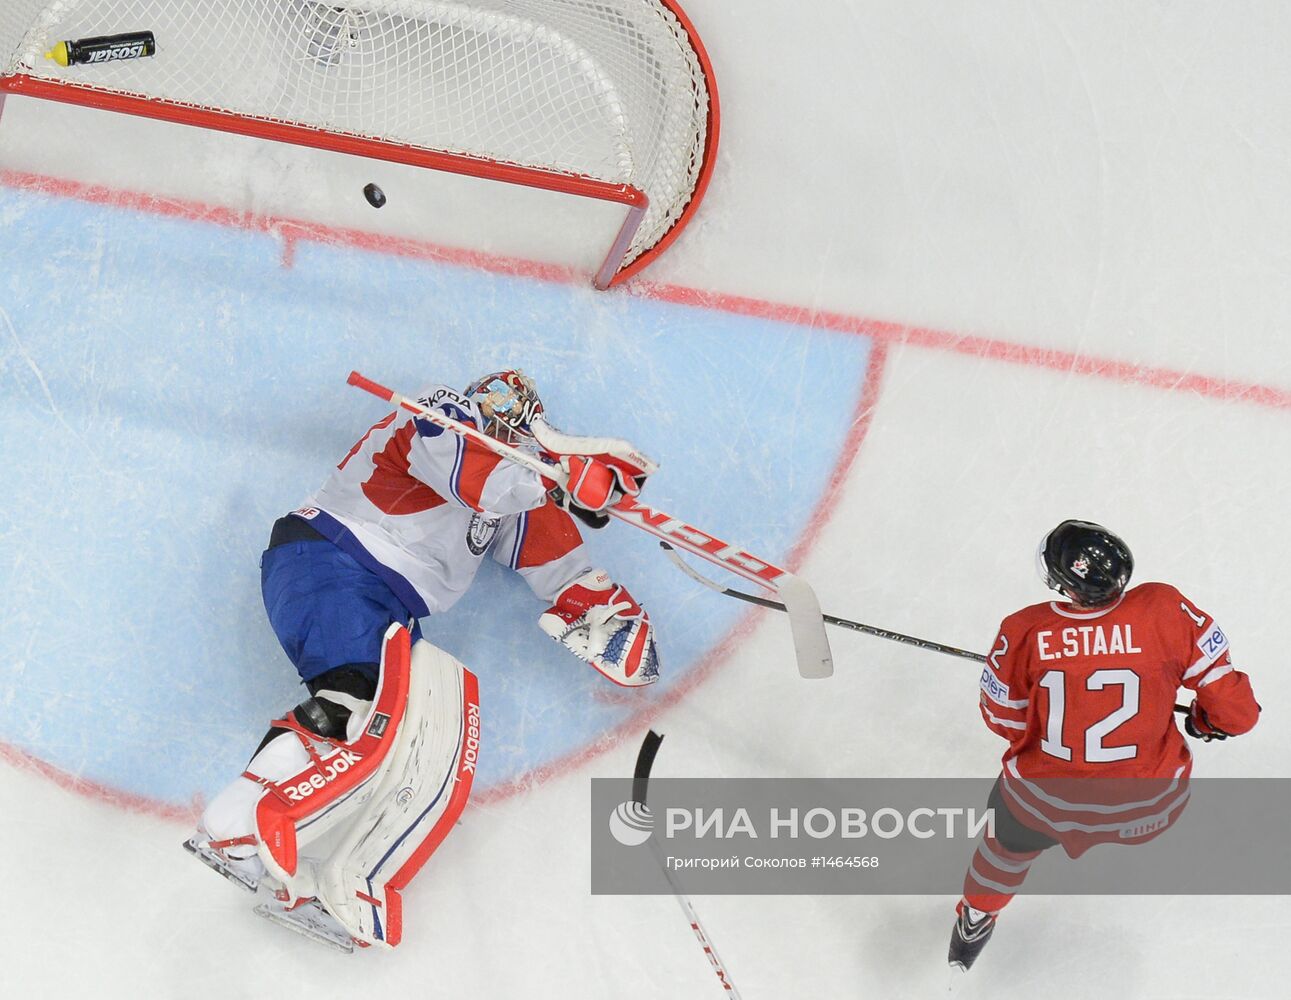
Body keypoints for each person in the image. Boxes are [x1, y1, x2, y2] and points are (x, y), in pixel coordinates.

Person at [185, 369, 659, 949]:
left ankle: (346, 886)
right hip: (331, 560)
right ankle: (236, 828)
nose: (517, 429)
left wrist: (598, 605)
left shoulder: (509, 495)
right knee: (358, 704)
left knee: (433, 742)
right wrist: (560, 481)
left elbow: (545, 546)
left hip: (387, 606)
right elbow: (472, 477)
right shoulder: (441, 418)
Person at [949, 519, 1260, 971]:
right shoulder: (1164, 608)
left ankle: (977, 916)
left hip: (1044, 807)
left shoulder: (1024, 629)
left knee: (1004, 846)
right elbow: (1239, 714)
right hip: (1150, 810)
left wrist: (1057, 707)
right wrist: (1204, 720)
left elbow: (1003, 720)